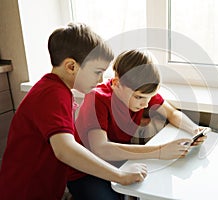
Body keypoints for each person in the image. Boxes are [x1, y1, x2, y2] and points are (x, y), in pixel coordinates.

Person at [0, 23, 147, 200]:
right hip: (24, 192)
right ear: (71, 66)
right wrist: (120, 176)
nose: (101, 80)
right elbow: (65, 150)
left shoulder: (56, 90)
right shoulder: (52, 94)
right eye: (97, 72)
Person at [67, 49, 208, 199]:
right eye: (139, 97)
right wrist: (159, 151)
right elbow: (101, 149)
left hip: (117, 164)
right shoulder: (97, 98)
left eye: (150, 97)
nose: (146, 104)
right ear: (116, 83)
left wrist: (194, 128)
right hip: (85, 171)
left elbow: (172, 113)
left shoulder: (143, 93)